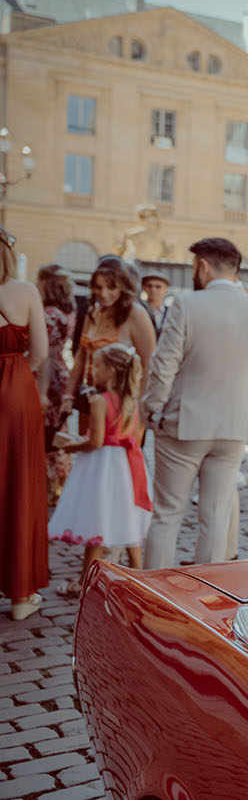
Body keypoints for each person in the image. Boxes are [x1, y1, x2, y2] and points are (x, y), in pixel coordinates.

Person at [141, 238, 248, 569]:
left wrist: (151, 409)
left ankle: (154, 597)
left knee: (166, 515)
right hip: (234, 427)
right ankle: (206, 595)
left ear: (202, 265)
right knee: (216, 516)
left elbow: (164, 366)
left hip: (183, 425)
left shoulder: (187, 305)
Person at [48, 343, 151, 594]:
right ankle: (139, 573)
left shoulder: (99, 401)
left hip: (102, 467)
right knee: (127, 516)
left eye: (99, 366)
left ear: (112, 371)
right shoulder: (132, 401)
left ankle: (85, 581)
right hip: (126, 465)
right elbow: (134, 435)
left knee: (97, 520)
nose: (93, 371)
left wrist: (71, 446)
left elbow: (95, 441)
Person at [0, 227, 50, 620]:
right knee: (19, 484)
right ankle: (20, 597)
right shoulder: (24, 291)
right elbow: (41, 352)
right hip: (15, 390)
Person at [64, 258, 155, 406]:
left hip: (121, 404)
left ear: (123, 287)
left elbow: (149, 364)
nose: (104, 294)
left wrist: (139, 407)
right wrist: (68, 395)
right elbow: (81, 357)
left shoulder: (136, 314)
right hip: (91, 397)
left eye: (111, 287)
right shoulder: (93, 312)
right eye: (98, 287)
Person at [37, 264, 76, 504]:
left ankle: (54, 484)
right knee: (58, 430)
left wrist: (42, 390)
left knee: (49, 432)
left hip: (48, 376)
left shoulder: (49, 313)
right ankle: (58, 483)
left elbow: (47, 354)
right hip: (61, 372)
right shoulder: (67, 311)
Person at [141, 271, 172, 339]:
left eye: (158, 287)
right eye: (149, 286)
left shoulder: (171, 313)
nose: (153, 289)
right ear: (143, 288)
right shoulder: (138, 311)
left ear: (166, 289)